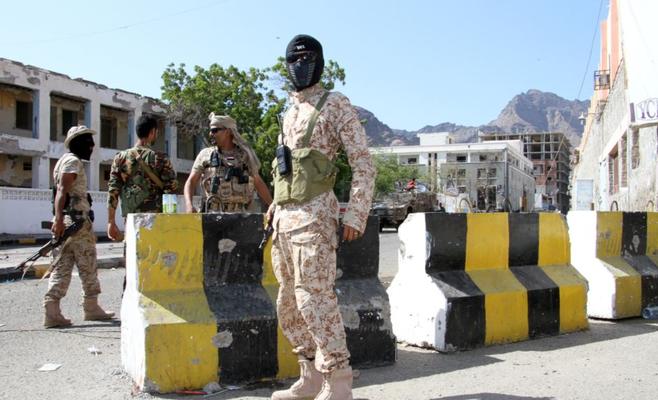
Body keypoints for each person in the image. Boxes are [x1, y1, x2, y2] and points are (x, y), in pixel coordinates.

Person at [269, 34, 375, 400]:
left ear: (320, 62)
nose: (300, 66)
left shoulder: (335, 104)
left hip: (314, 219)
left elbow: (362, 162)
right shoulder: (289, 111)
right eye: (293, 60)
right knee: (288, 303)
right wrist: (273, 208)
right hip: (284, 219)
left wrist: (356, 213)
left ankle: (338, 381)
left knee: (315, 301)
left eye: (307, 58)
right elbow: (285, 168)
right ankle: (310, 376)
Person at [44, 126, 114, 328]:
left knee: (62, 266)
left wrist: (59, 219)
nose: (92, 146)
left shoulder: (64, 161)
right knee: (88, 265)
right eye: (88, 142)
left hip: (69, 222)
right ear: (78, 143)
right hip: (75, 223)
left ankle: (52, 311)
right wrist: (58, 218)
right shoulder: (72, 162)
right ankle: (91, 308)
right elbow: (61, 190)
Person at [106, 115, 178, 241]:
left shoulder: (120, 158)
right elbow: (170, 191)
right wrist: (170, 222)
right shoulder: (160, 159)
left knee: (131, 251)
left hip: (131, 222)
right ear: (152, 132)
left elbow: (113, 190)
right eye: (156, 132)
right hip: (156, 224)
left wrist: (110, 222)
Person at [184, 114, 272, 213]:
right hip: (212, 214)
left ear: (228, 131)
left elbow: (258, 182)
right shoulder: (205, 155)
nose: (210, 134)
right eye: (210, 131)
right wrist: (189, 205)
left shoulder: (245, 155)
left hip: (242, 215)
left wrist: (272, 205)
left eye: (214, 130)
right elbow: (191, 182)